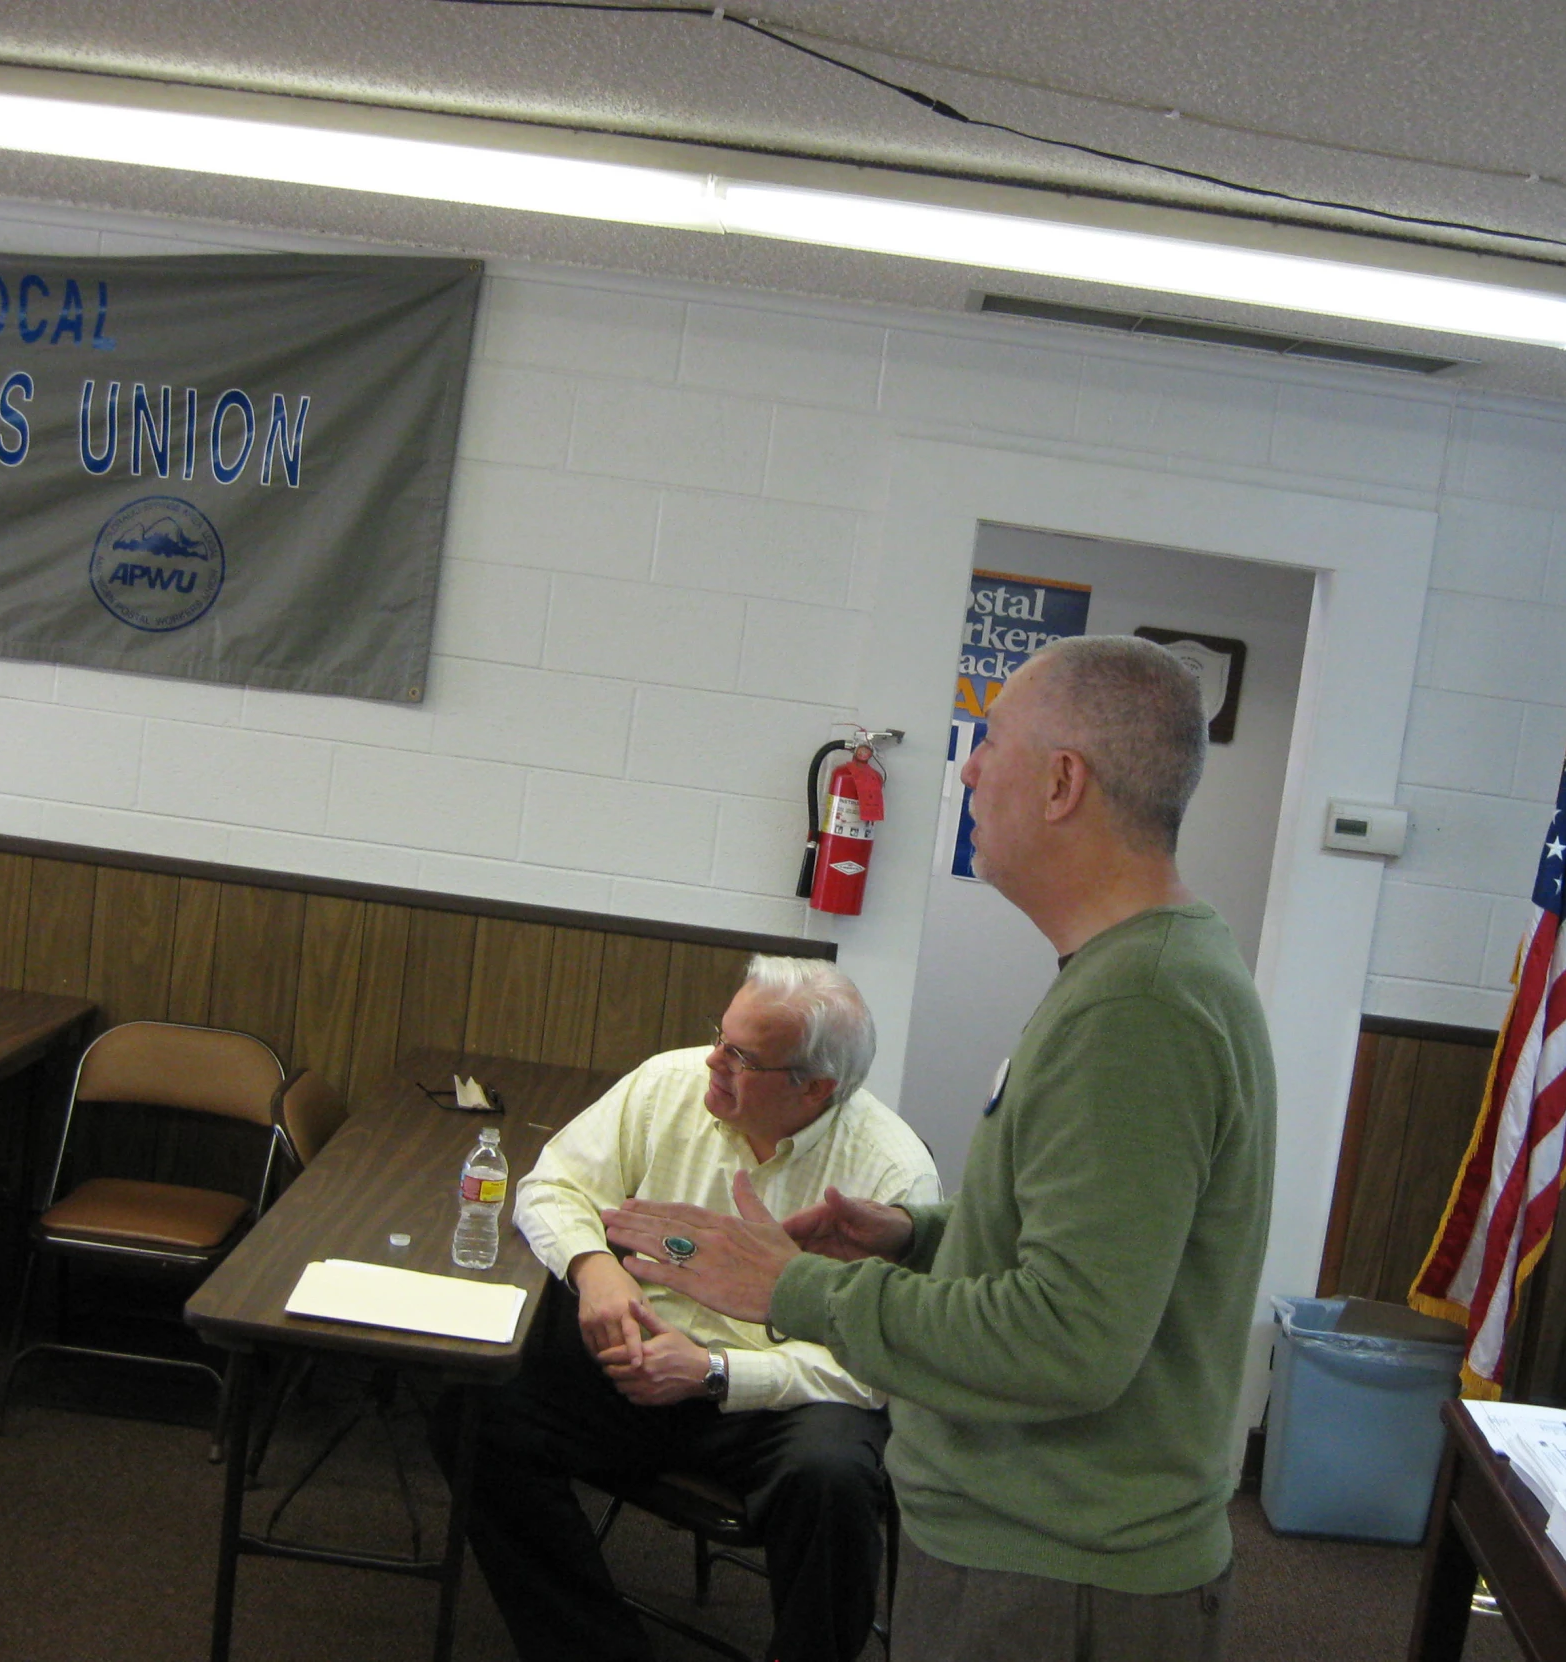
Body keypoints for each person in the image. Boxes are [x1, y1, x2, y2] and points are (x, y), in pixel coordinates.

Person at [603, 635, 1277, 1662]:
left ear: (1060, 783)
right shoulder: (1140, 974)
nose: (966, 767)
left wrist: (792, 1290)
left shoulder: (1140, 1005)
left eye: (988, 740)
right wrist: (916, 1237)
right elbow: (1105, 1241)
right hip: (1041, 1556)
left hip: (1057, 1577)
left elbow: (1066, 1340)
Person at [451, 955, 941, 1662]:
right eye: (720, 1034)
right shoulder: (668, 1082)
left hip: (775, 1396)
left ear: (815, 1088)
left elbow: (878, 1362)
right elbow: (551, 1186)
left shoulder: (891, 1171)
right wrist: (596, 1273)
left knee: (836, 1479)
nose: (712, 1059)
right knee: (475, 1408)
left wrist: (715, 1371)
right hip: (639, 1350)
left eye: (740, 1056)